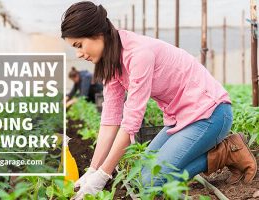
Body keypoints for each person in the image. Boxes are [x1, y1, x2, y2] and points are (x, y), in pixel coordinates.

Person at [61, 1, 257, 199]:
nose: (78, 54)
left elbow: (130, 124)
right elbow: (110, 119)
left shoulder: (138, 54)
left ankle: (227, 152)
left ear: (97, 33)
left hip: (210, 114)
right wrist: (92, 171)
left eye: (79, 45)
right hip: (179, 119)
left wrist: (104, 175)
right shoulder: (110, 62)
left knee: (152, 182)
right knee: (137, 177)